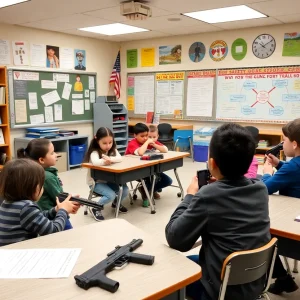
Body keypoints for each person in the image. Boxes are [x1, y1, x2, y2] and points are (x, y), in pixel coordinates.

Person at [165, 123, 270, 300]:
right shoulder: (260, 189)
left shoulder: (207, 195)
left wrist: (190, 196)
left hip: (218, 290)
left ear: (212, 163)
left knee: (170, 267)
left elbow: (175, 239)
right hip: (254, 282)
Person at [0, 159, 80, 247]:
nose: (43, 189)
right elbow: (54, 231)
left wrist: (56, 210)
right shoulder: (26, 207)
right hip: (21, 255)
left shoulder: (7, 203)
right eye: (41, 185)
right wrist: (63, 210)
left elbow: (38, 217)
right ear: (30, 187)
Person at [262, 118, 300, 295]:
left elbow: (265, 188)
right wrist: (279, 164)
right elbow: (292, 170)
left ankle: (282, 278)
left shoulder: (293, 167)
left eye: (283, 140)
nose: (282, 144)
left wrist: (267, 173)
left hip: (292, 227)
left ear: (294, 144)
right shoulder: (293, 165)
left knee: (261, 232)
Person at [17, 139, 74, 230]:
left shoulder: (34, 173)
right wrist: (72, 201)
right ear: (42, 160)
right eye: (52, 153)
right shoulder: (47, 176)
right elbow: (59, 197)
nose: (56, 155)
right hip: (55, 215)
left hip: (46, 213)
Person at [83, 127, 129, 221]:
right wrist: (106, 162)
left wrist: (110, 159)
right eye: (104, 143)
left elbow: (120, 158)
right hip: (95, 182)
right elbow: (96, 162)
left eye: (110, 142)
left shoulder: (112, 150)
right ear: (97, 140)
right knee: (111, 195)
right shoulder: (94, 152)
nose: (108, 146)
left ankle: (116, 203)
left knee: (125, 190)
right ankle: (95, 208)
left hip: (109, 180)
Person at [125, 123, 172, 207]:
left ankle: (147, 189)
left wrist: (154, 144)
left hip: (150, 169)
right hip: (136, 171)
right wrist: (147, 143)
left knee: (168, 181)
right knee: (152, 178)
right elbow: (140, 152)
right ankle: (147, 190)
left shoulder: (149, 142)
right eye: (142, 136)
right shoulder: (133, 143)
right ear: (135, 135)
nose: (146, 138)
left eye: (147, 136)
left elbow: (165, 149)